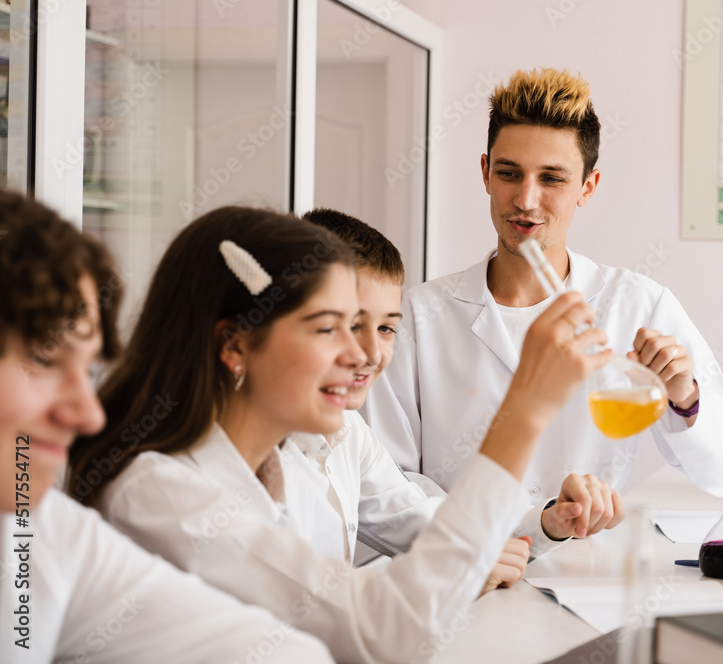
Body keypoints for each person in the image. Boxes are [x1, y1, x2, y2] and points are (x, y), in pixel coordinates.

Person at [67, 206, 612, 664]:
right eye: (330, 328)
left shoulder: (279, 458)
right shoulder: (159, 492)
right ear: (235, 345)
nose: (363, 357)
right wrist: (524, 410)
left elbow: (391, 572)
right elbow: (381, 625)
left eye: (378, 327)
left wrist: (526, 529)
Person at [363, 68, 723, 501]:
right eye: (509, 174)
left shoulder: (638, 306)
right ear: (485, 174)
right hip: (463, 562)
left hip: (583, 562)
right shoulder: (418, 318)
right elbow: (384, 479)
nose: (526, 200)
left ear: (587, 187)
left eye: (552, 178)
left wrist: (685, 397)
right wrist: (476, 541)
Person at [0, 190, 332, 663]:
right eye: (43, 359)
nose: (86, 414)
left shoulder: (42, 529)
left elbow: (283, 654)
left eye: (87, 368)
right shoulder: (147, 489)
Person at [302, 208, 624, 565]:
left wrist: (548, 521)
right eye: (348, 325)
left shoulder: (348, 434)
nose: (373, 354)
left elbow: (435, 529)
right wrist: (529, 405)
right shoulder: (257, 465)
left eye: (386, 329)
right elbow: (339, 604)